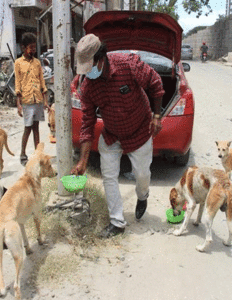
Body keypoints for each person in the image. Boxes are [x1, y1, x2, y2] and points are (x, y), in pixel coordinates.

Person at [71, 34, 165, 238]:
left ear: (101, 58)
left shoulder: (127, 65)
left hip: (139, 130)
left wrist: (156, 116)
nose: (88, 73)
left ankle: (143, 195)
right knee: (109, 176)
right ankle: (117, 222)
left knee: (142, 175)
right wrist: (83, 161)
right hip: (112, 134)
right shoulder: (87, 87)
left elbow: (155, 83)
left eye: (90, 67)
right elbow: (87, 124)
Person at [14, 32, 49, 165]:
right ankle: (23, 155)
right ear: (24, 48)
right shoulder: (18, 63)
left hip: (38, 100)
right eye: (31, 47)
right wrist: (19, 104)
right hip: (27, 100)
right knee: (27, 128)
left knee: (36, 128)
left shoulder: (37, 63)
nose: (33, 50)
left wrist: (45, 101)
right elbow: (17, 84)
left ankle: (37, 155)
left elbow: (42, 82)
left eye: (35, 47)